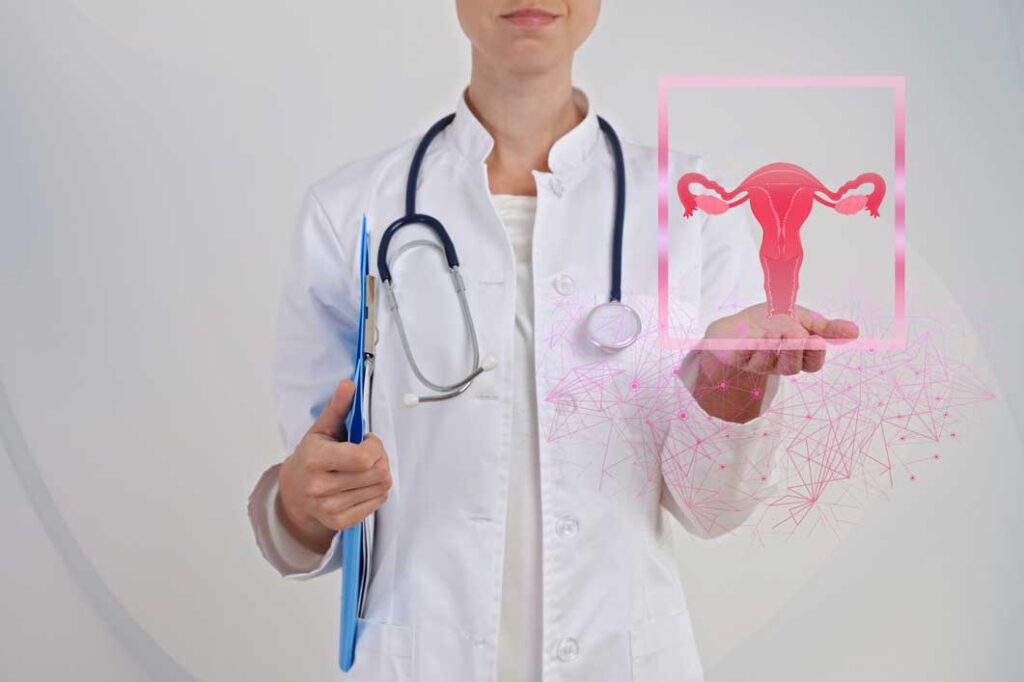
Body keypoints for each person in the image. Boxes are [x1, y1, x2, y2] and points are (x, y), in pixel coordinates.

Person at [247, 2, 858, 680]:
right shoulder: (350, 211)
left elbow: (713, 510)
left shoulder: (691, 214)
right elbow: (304, 498)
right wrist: (301, 504)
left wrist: (730, 386)